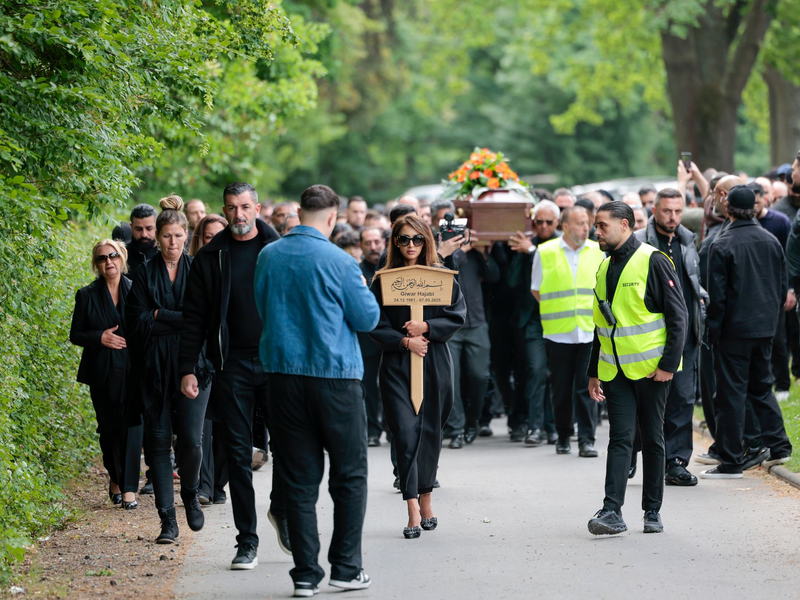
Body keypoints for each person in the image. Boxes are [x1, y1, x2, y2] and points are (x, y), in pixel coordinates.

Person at [255, 185, 380, 597]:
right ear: (331, 218)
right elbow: (366, 318)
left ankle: (306, 574)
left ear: (299, 211)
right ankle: (345, 566)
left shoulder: (268, 256)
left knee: (298, 479)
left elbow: (262, 307)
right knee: (349, 475)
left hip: (282, 378)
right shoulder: (340, 262)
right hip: (336, 379)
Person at [178, 182, 287, 570]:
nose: (238, 215)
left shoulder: (278, 251)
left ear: (257, 208)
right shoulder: (211, 256)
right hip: (232, 366)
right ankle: (247, 541)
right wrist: (188, 368)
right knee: (239, 457)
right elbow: (193, 318)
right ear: (223, 211)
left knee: (289, 449)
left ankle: (281, 509)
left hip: (277, 362)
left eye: (245, 207)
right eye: (231, 208)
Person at [586, 202, 688, 536]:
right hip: (614, 371)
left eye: (602, 226)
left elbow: (679, 316)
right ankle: (611, 510)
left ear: (625, 225)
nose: (596, 232)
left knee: (653, 437)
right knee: (621, 439)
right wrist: (593, 371)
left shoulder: (654, 260)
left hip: (650, 371)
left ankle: (652, 511)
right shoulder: (603, 267)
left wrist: (668, 366)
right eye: (596, 226)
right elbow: (601, 327)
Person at [370, 214, 466, 539]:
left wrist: (427, 328)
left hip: (434, 361)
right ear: (394, 243)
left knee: (429, 432)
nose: (410, 245)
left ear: (427, 240)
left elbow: (458, 315)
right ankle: (412, 506)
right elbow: (372, 324)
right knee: (405, 434)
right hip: (398, 366)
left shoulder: (442, 277)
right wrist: (403, 340)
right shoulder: (383, 280)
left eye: (417, 239)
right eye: (403, 239)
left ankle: (426, 497)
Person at [126, 196, 211, 543]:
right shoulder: (144, 274)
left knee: (191, 439)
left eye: (178, 236)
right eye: (166, 236)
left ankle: (190, 492)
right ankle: (167, 521)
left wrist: (161, 315)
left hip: (194, 364)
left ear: (187, 235)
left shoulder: (199, 271)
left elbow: (203, 321)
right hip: (153, 368)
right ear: (157, 237)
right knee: (159, 443)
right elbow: (136, 322)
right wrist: (171, 318)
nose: (172, 243)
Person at [701, 185, 793, 478]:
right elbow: (781, 288)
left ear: (727, 207)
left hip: (734, 331)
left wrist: (712, 333)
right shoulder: (770, 240)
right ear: (754, 206)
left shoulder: (722, 243)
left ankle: (730, 461)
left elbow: (717, 298)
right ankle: (779, 445)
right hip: (764, 328)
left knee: (730, 395)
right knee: (761, 387)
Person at [634, 189, 707, 486]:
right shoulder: (638, 241)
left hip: (686, 334)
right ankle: (630, 452)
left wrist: (703, 301)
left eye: (677, 211)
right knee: (644, 400)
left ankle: (675, 462)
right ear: (654, 210)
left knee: (682, 399)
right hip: (649, 336)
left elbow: (693, 282)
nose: (673, 217)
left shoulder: (689, 240)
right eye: (667, 211)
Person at [70, 239, 138, 509]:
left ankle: (129, 487)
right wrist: (100, 337)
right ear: (96, 264)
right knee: (109, 430)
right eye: (102, 258)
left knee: (132, 427)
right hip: (102, 371)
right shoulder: (86, 295)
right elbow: (76, 334)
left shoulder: (136, 290)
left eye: (113, 256)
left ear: (122, 258)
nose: (108, 262)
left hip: (134, 369)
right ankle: (115, 477)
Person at [532, 206, 603, 457]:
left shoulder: (598, 251)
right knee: (560, 388)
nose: (587, 228)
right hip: (558, 332)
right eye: (580, 223)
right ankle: (563, 436)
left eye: (588, 223)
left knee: (587, 387)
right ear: (566, 226)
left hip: (588, 331)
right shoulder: (545, 251)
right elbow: (536, 290)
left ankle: (587, 439)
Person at [507, 201, 560, 444]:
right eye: (540, 221)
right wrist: (523, 253)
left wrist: (532, 252)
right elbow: (512, 282)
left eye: (549, 222)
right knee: (537, 372)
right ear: (533, 222)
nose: (545, 226)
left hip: (560, 319)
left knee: (555, 375)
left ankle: (553, 427)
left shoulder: (562, 245)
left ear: (557, 223)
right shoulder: (525, 243)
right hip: (532, 320)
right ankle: (536, 427)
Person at [443, 227, 499, 448]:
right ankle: (456, 428)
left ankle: (472, 421)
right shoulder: (446, 252)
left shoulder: (475, 253)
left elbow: (494, 275)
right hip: (449, 324)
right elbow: (449, 268)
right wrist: (461, 250)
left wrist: (483, 252)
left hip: (476, 321)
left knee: (480, 376)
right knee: (451, 379)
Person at [187, 214, 230, 506]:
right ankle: (204, 485)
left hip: (231, 358)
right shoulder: (195, 269)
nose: (212, 242)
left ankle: (218, 483)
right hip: (202, 357)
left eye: (218, 236)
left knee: (227, 426)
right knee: (204, 425)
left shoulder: (237, 268)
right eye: (207, 237)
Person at [359, 227, 387, 446]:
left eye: (376, 242)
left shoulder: (391, 270)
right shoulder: (356, 271)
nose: (373, 247)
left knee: (389, 384)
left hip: (390, 336)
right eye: (368, 243)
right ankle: (373, 431)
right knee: (368, 386)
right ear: (361, 246)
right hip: (367, 338)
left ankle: (390, 426)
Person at [126, 204, 158, 274]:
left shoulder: (166, 254)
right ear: (131, 227)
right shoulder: (122, 256)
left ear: (157, 226)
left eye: (149, 229)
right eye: (139, 229)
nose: (144, 234)